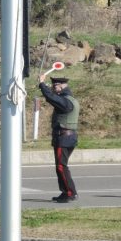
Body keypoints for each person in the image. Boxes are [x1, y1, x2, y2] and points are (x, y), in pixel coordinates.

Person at [39, 74, 80, 203]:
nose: (53, 87)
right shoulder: (68, 99)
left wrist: (42, 85)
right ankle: (65, 192)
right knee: (60, 166)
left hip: (64, 138)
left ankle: (70, 193)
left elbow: (51, 98)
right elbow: (53, 97)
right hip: (64, 137)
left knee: (62, 167)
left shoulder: (66, 101)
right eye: (53, 85)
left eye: (55, 85)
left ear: (63, 86)